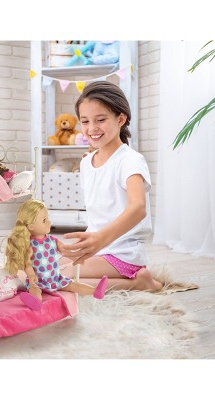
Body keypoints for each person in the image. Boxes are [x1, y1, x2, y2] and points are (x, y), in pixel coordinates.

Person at [60, 81, 163, 292]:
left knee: (57, 276)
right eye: (85, 121)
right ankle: (138, 282)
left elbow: (138, 208)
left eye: (101, 120)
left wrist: (101, 239)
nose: (92, 128)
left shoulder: (130, 160)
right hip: (96, 248)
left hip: (123, 254)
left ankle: (139, 283)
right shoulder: (86, 163)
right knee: (37, 268)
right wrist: (92, 241)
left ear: (120, 119)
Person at [4, 199, 108, 310]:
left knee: (73, 285)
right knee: (35, 289)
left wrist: (75, 257)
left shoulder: (52, 240)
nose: (49, 222)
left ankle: (95, 291)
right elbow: (27, 264)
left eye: (48, 218)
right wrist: (31, 276)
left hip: (56, 279)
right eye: (44, 220)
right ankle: (36, 302)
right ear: (31, 226)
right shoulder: (30, 245)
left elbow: (65, 250)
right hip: (39, 281)